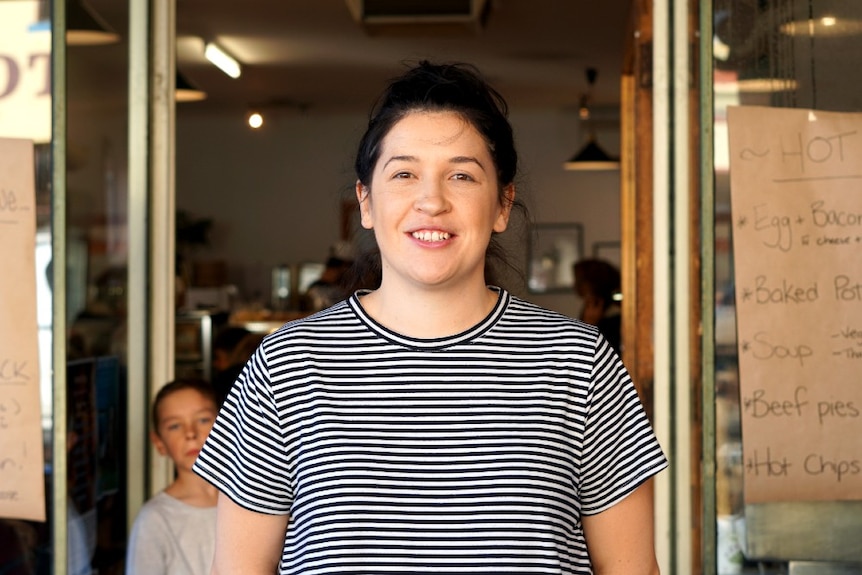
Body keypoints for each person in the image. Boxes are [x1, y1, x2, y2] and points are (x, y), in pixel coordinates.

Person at [194, 60, 667, 575]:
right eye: (404, 173)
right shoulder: (287, 365)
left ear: (503, 204)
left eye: (461, 175)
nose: (431, 201)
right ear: (366, 202)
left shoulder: (579, 361)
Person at [126, 379, 219, 575]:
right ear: (159, 443)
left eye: (203, 420)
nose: (191, 434)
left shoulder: (254, 498)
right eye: (175, 426)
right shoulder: (155, 520)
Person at [573, 258, 623, 354]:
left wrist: (590, 324)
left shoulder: (613, 315)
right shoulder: (590, 308)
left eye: (579, 281)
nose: (575, 285)